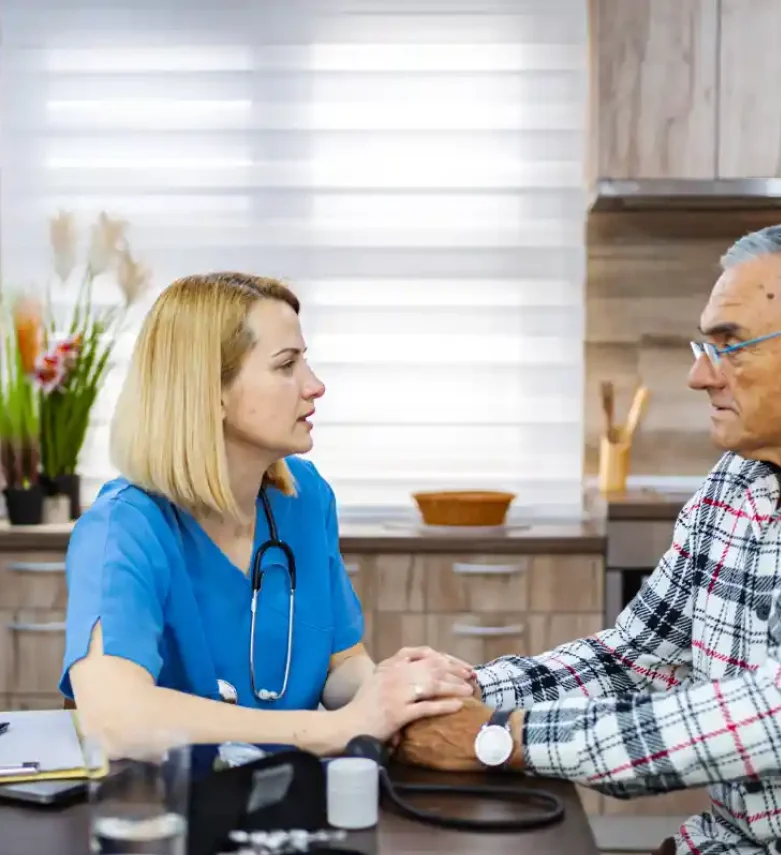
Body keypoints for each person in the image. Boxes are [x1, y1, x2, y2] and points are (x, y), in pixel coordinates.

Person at [393, 221, 781, 855]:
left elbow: (775, 718)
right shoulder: (736, 486)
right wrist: (461, 691)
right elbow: (632, 657)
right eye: (701, 345)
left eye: (730, 344)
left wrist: (495, 738)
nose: (699, 376)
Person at [61, 272, 474, 759]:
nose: (315, 386)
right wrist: (336, 730)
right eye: (286, 365)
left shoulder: (305, 497)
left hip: (287, 799)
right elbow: (115, 718)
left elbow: (340, 665)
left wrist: (395, 691)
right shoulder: (123, 529)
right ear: (209, 391)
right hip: (167, 815)